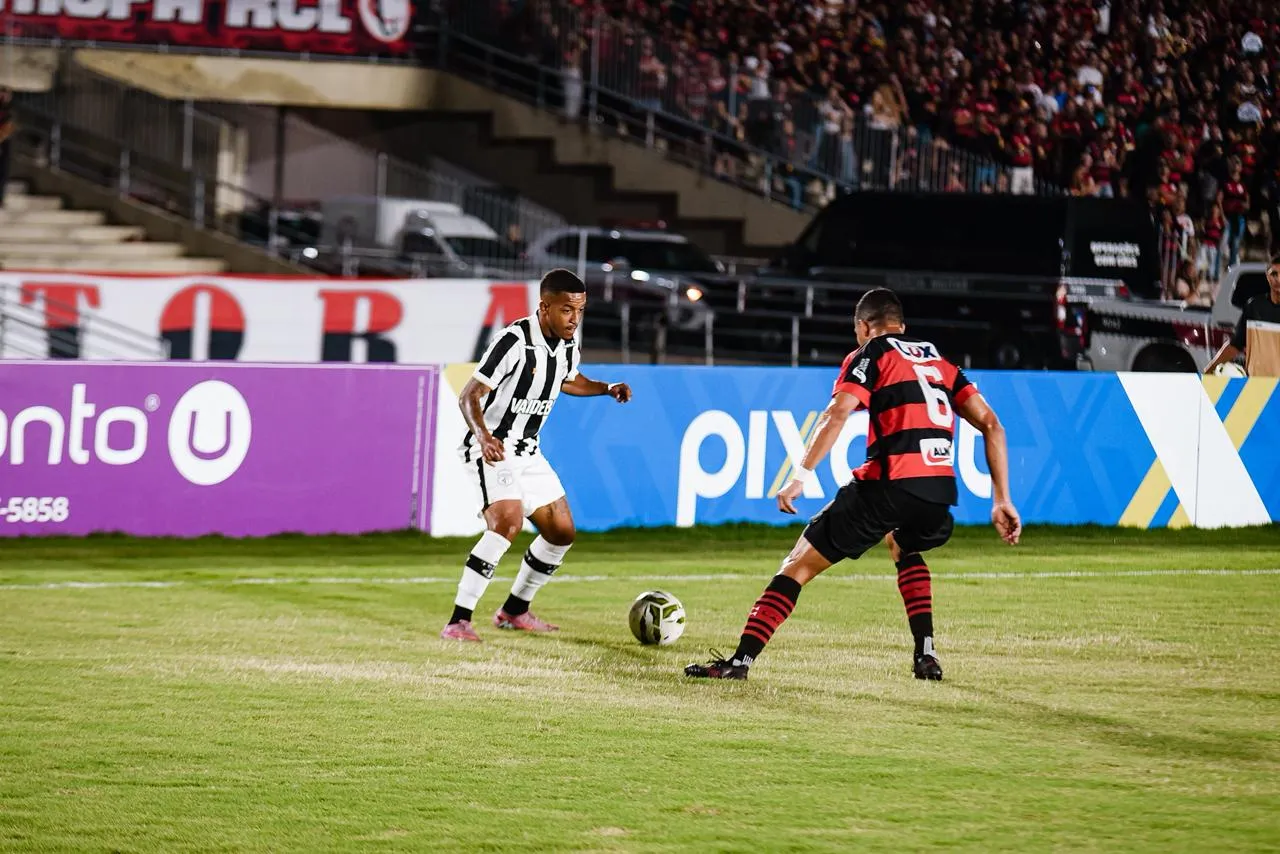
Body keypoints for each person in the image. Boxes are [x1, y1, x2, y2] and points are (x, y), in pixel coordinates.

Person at [685, 288, 1021, 682]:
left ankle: (738, 663)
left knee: (797, 565)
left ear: (863, 327)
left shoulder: (871, 352)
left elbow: (837, 412)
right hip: (938, 495)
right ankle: (926, 655)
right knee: (902, 543)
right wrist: (1001, 499)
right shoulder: (939, 359)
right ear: (902, 325)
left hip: (888, 485)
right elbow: (992, 425)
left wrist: (800, 477)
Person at [441, 269, 632, 642]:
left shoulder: (568, 344)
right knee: (507, 523)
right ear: (544, 307)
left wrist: (606, 388)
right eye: (566, 310)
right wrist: (483, 437)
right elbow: (470, 395)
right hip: (493, 449)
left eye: (580, 310)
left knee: (562, 532)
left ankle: (514, 610)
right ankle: (458, 620)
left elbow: (567, 379)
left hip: (529, 452)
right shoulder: (514, 340)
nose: (574, 319)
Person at [1205, 255, 1280, 377]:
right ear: (1267, 276)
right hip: (1256, 386)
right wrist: (1207, 372)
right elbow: (1235, 345)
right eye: (1274, 274)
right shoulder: (1254, 307)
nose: (1278, 279)